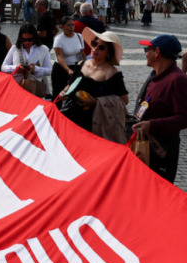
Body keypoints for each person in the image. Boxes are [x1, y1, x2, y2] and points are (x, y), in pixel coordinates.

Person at [132, 35, 187, 183]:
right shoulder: (155, 75)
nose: (145, 53)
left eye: (147, 49)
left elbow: (184, 118)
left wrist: (152, 124)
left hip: (161, 150)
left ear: (157, 52)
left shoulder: (177, 80)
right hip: (144, 145)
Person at [58, 29, 128, 142]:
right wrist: (63, 92)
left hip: (93, 122)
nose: (95, 49)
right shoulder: (82, 64)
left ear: (108, 52)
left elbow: (124, 100)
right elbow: (70, 83)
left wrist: (97, 102)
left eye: (101, 47)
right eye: (94, 44)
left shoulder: (112, 73)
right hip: (71, 116)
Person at [1, 23, 52, 98]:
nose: (27, 42)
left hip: (34, 88)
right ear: (20, 38)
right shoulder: (15, 48)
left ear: (35, 37)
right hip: (17, 87)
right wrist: (16, 68)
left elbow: (49, 71)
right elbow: (3, 67)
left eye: (30, 39)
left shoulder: (43, 49)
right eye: (24, 40)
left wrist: (35, 69)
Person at [51, 17, 85, 96]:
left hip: (75, 68)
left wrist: (84, 66)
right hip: (61, 69)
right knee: (58, 93)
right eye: (68, 25)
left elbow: (82, 53)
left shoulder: (79, 37)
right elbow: (60, 57)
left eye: (73, 25)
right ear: (62, 27)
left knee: (75, 93)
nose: (71, 28)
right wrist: (68, 70)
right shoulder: (59, 39)